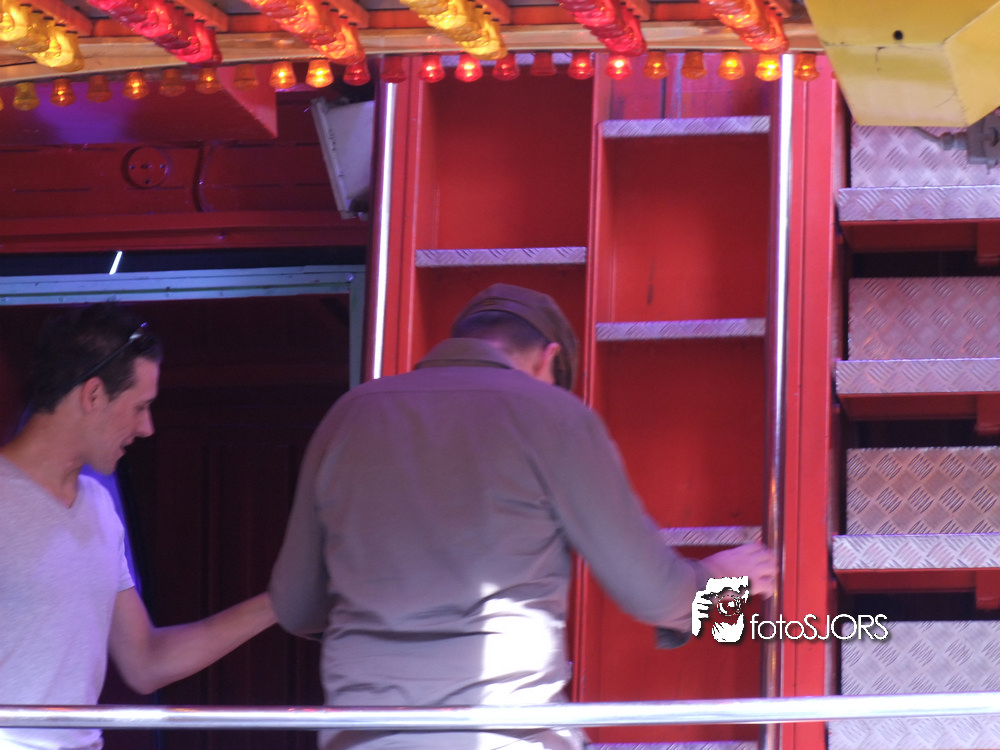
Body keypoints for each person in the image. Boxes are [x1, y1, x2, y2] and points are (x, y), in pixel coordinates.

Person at [269, 283, 777, 750]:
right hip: (504, 730)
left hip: (362, 734)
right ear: (548, 358)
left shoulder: (349, 415)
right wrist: (721, 580)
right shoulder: (552, 414)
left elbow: (295, 607)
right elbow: (652, 594)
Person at [0, 302, 277, 750]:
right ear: (93, 395)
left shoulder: (98, 506)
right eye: (139, 407)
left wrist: (281, 603)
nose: (147, 427)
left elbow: (145, 661)